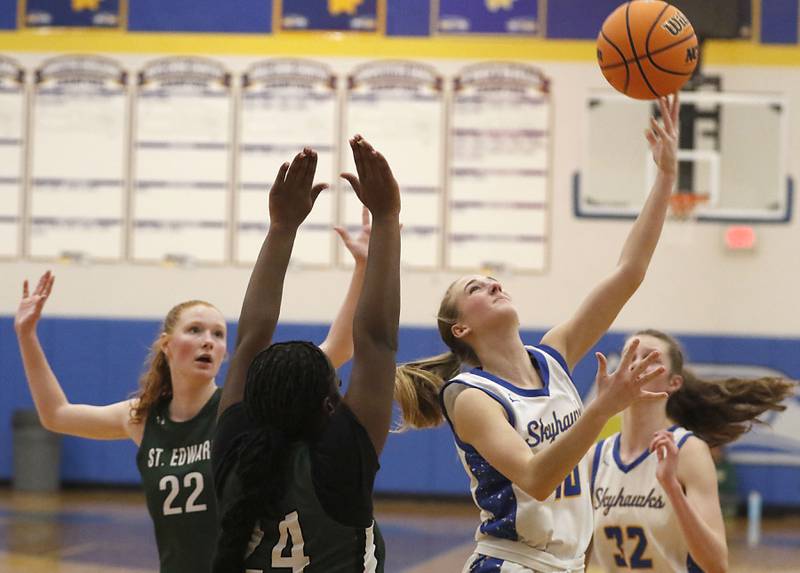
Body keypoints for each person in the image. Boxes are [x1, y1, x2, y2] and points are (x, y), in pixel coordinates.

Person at [13, 187, 373, 572]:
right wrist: (27, 335)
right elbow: (56, 414)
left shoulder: (239, 408)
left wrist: (363, 269)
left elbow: (338, 347)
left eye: (218, 335)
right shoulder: (141, 417)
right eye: (196, 330)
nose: (208, 341)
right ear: (167, 345)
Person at [394, 95, 681, 572]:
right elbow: (535, 477)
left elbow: (630, 271)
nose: (494, 283)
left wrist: (666, 177)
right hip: (513, 563)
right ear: (460, 327)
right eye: (477, 287)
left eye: (492, 279)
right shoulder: (470, 396)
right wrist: (602, 408)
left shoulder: (553, 356)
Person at [212, 135, 401, 573]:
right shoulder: (340, 463)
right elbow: (375, 338)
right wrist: (387, 218)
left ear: (252, 400)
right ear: (328, 403)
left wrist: (281, 227)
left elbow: (249, 341)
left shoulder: (235, 453)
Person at [589, 329, 794, 573]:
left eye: (650, 358)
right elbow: (577, 557)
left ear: (674, 382)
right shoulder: (596, 458)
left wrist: (672, 489)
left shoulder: (688, 451)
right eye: (630, 356)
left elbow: (717, 564)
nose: (637, 364)